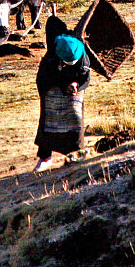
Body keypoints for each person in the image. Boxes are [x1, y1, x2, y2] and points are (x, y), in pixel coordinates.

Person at [34, 15, 91, 172]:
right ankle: (45, 156)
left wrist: (76, 85)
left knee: (75, 114)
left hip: (73, 86)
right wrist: (61, 85)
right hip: (50, 84)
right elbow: (47, 76)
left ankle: (75, 153)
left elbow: (86, 78)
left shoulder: (83, 57)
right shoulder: (52, 57)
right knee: (49, 117)